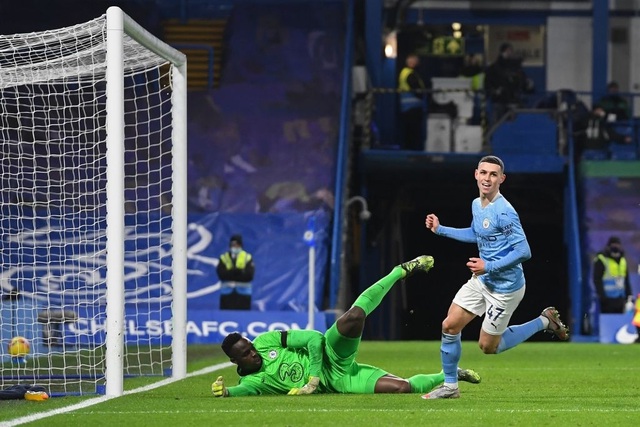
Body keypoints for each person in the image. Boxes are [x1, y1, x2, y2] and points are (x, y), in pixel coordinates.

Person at [211, 255, 482, 397]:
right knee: (402, 389)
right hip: (340, 380)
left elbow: (314, 339)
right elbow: (237, 391)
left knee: (353, 317)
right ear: (235, 361)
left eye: (249, 347)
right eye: (246, 354)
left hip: (330, 353)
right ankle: (451, 375)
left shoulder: (266, 341)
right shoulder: (254, 382)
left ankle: (400, 271)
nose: (253, 352)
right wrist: (224, 393)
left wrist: (312, 378)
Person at [422, 155, 569, 400]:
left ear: (502, 179)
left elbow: (524, 252)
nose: (487, 178)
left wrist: (488, 266)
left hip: (506, 287)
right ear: (476, 174)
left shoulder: (505, 212)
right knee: (449, 325)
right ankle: (450, 387)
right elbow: (477, 234)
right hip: (482, 280)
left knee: (488, 347)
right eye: (483, 173)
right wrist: (441, 229)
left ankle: (545, 321)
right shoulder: (476, 204)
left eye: (493, 174)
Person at [484, 43, 533, 126]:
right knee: (499, 124)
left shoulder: (515, 68)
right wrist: (495, 91)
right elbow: (488, 84)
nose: (509, 53)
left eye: (510, 51)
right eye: (507, 51)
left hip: (513, 100)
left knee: (513, 125)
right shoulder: (494, 68)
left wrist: (528, 85)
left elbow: (523, 82)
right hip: (500, 101)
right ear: (502, 52)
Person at [592, 236, 632, 314]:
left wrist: (628, 296)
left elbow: (626, 280)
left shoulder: (623, 260)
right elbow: (597, 280)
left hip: (620, 300)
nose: (616, 247)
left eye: (617, 245)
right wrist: (602, 296)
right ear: (608, 246)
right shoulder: (602, 260)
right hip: (607, 301)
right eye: (613, 245)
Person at [216, 234, 255, 310]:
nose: (235, 247)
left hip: (243, 294)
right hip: (227, 294)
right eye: (233, 245)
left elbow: (249, 276)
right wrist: (237, 272)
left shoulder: (247, 257)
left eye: (237, 245)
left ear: (241, 246)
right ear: (230, 246)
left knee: (243, 318)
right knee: (225, 317)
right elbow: (221, 275)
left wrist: (231, 274)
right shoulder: (224, 258)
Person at [398, 53, 427, 151]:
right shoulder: (410, 74)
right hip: (412, 108)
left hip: (407, 109)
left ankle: (408, 148)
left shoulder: (405, 72)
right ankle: (412, 150)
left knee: (409, 132)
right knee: (413, 133)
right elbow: (417, 89)